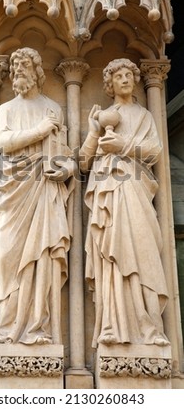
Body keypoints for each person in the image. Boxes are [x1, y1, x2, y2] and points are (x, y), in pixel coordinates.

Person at [79, 58, 169, 347]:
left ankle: (150, 326)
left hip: (137, 188)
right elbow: (83, 161)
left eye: (129, 74)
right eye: (119, 75)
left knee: (144, 253)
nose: (126, 79)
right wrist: (94, 131)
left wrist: (123, 146)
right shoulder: (103, 117)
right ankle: (113, 326)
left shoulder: (144, 116)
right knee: (112, 257)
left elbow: (155, 151)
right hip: (109, 191)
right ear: (110, 83)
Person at [0, 47, 75, 345]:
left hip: (44, 191)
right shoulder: (5, 109)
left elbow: (62, 152)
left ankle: (38, 326)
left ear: (37, 71)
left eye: (24, 65)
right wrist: (39, 131)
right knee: (6, 255)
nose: (18, 71)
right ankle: (7, 326)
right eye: (15, 67)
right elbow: (3, 142)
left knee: (42, 255)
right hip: (14, 192)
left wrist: (66, 169)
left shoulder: (53, 108)